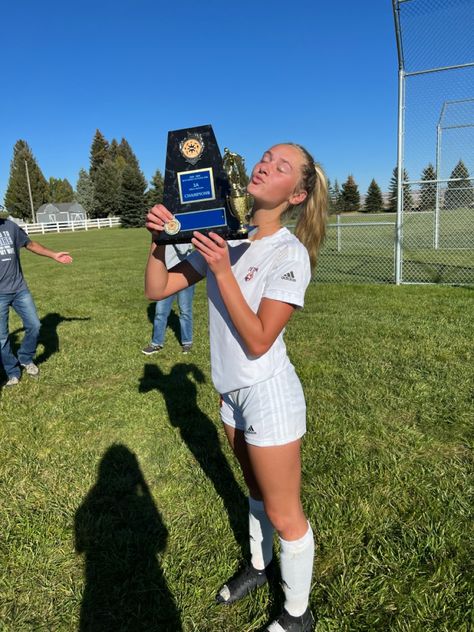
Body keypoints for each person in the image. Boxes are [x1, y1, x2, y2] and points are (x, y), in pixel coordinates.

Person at [144, 143, 327, 632]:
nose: (266, 165)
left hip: (268, 394)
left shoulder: (289, 254)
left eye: (282, 166)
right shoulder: (229, 239)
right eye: (266, 157)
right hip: (231, 395)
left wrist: (222, 269)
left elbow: (260, 337)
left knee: (287, 514)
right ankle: (260, 566)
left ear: (297, 193)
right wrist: (161, 240)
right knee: (254, 492)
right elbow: (157, 289)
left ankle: (296, 615)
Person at [0, 216, 72, 386]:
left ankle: (25, 358)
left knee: (34, 325)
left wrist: (53, 254)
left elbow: (30, 244)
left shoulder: (10, 226)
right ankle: (12, 372)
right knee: (1, 338)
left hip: (19, 289)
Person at [142, 243, 195, 355]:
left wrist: (171, 233)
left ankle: (187, 343)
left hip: (185, 274)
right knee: (160, 312)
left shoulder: (182, 230)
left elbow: (183, 249)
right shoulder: (162, 231)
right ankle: (156, 344)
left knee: (185, 311)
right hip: (165, 275)